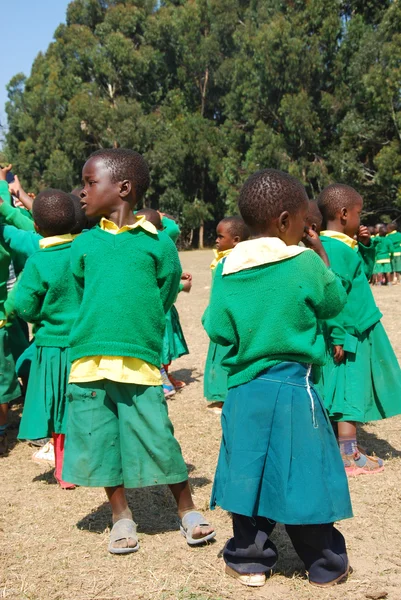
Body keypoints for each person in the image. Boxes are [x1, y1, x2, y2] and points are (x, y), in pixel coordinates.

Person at [203, 169, 352, 588]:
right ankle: (326, 564)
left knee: (246, 473)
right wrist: (319, 252)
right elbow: (334, 300)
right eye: (305, 222)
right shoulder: (305, 263)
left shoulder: (227, 267)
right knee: (303, 473)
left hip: (245, 391)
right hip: (293, 387)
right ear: (285, 221)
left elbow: (217, 327)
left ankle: (250, 560)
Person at [63, 148, 215, 554]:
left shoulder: (158, 245)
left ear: (123, 188)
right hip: (90, 359)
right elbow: (82, 292)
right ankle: (120, 516)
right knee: (102, 440)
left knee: (158, 436)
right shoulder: (83, 245)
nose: (81, 192)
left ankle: (186, 509)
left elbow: (164, 293)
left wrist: (138, 325)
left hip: (138, 359)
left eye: (90, 183)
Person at [318, 184, 401, 475]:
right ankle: (348, 455)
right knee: (349, 390)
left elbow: (360, 276)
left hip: (351, 329)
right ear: (343, 214)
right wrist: (339, 335)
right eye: (357, 213)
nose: (360, 219)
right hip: (350, 332)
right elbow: (335, 294)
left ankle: (340, 447)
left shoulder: (337, 246)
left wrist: (364, 247)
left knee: (340, 387)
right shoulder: (336, 250)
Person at [15, 189, 87, 487]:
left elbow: (23, 306)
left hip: (53, 347)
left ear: (36, 227)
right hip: (86, 342)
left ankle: (64, 471)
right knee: (86, 403)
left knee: (60, 406)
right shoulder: (85, 251)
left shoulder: (38, 261)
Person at [136, 208, 191, 397]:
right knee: (160, 344)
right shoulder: (154, 242)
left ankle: (165, 375)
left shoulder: (156, 244)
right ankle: (161, 378)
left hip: (160, 308)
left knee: (165, 345)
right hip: (155, 308)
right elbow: (174, 228)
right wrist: (182, 286)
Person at [204, 216, 249, 414]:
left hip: (228, 320)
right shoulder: (222, 258)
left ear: (236, 240)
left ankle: (224, 397)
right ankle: (218, 395)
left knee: (224, 357)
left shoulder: (235, 261)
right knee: (217, 356)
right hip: (218, 315)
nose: (217, 240)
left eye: (221, 237)